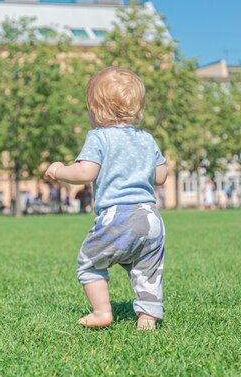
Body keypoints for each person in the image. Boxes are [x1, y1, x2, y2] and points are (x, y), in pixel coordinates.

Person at [44, 67, 167, 330]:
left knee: (89, 264)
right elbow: (161, 175)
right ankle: (148, 318)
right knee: (147, 270)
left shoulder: (99, 137)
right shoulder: (146, 139)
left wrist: (58, 170)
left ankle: (101, 312)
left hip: (118, 217)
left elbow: (85, 172)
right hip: (151, 218)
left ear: (97, 110)